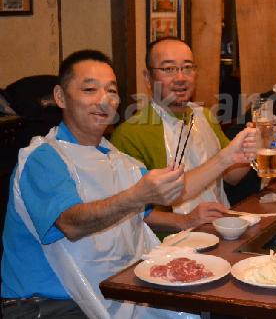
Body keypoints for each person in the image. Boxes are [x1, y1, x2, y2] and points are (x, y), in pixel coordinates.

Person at [1, 50, 256, 319]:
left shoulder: (115, 158)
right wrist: (137, 196)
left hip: (106, 288)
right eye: (89, 89)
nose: (104, 100)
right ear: (60, 97)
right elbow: (72, 224)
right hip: (48, 304)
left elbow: (164, 194)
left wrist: (223, 163)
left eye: (111, 91)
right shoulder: (43, 158)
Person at [111, 37, 251, 213]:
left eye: (187, 67)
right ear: (148, 78)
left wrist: (252, 148)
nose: (180, 78)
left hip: (221, 223)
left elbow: (231, 177)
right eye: (169, 69)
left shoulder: (205, 116)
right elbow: (133, 213)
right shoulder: (130, 134)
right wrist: (186, 221)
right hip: (175, 231)